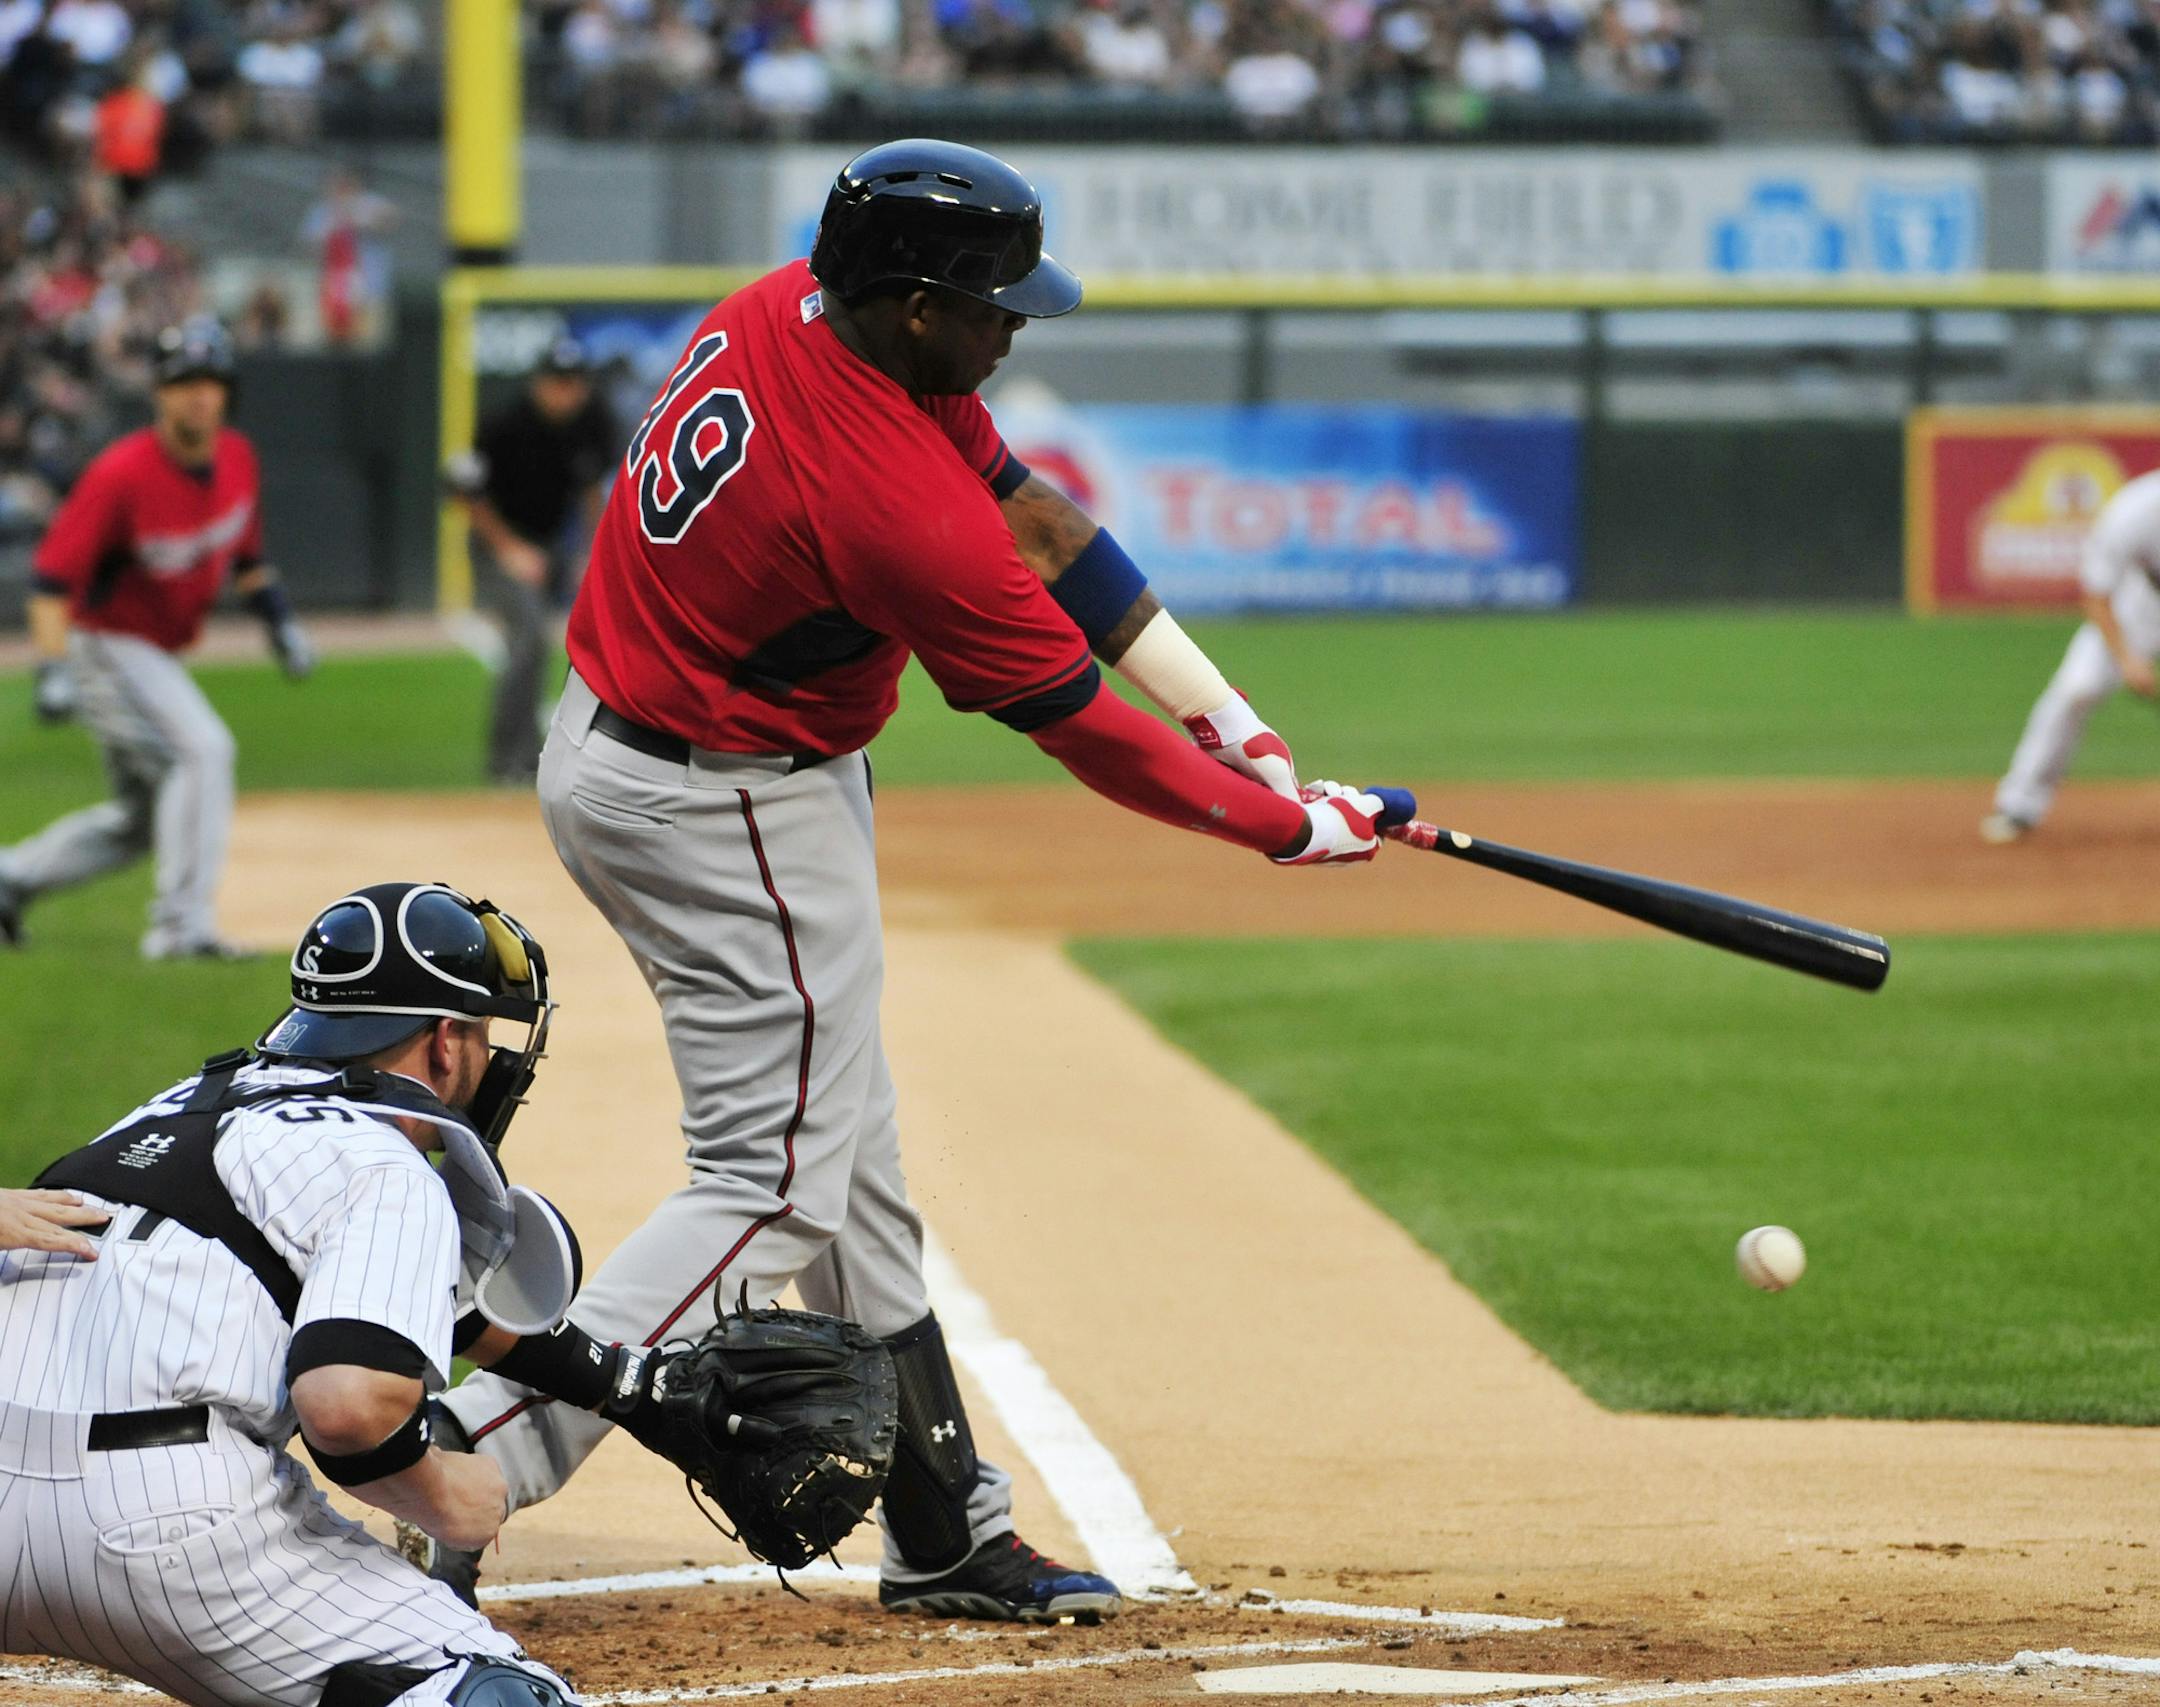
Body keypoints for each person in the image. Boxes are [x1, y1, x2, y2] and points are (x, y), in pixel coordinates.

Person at [429, 139, 1399, 1626]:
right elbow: (1081, 729)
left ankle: (942, 1521)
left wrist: (1235, 721)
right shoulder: (883, 494)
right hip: (729, 799)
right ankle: (463, 1458)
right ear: (915, 305)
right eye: (995, 302)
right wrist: (1284, 828)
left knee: (851, 1162)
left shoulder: (793, 311)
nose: (1016, 327)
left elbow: (1050, 525)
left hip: (665, 752)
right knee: (774, 1186)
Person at [0, 882, 590, 1705]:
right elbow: (347, 1407)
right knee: (495, 1692)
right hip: (171, 1534)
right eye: (485, 1032)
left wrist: (621, 1387)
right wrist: (445, 1496)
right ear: (446, 1042)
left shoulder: (164, 1113)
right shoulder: (387, 1160)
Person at [0, 318, 315, 957]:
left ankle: (10, 877)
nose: (198, 396)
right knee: (201, 751)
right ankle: (180, 927)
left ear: (227, 393)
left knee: (144, 820)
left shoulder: (237, 459)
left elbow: (248, 559)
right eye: (183, 383)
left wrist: (277, 620)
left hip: (153, 650)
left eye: (210, 382)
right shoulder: (121, 474)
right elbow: (52, 580)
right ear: (159, 394)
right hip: (106, 647)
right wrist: (54, 668)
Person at [447, 337, 618, 786]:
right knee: (528, 639)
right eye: (557, 383)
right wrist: (509, 551)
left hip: (552, 544)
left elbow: (591, 491)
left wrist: (588, 553)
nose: (566, 392)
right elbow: (465, 491)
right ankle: (507, 760)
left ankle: (584, 759)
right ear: (539, 384)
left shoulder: (591, 419)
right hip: (497, 544)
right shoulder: (505, 421)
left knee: (598, 637)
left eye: (573, 383)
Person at [1982, 467, 2160, 843]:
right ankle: (2019, 804)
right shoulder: (2135, 509)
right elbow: (2097, 595)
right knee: (2076, 689)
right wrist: (2128, 659)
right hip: (2141, 606)